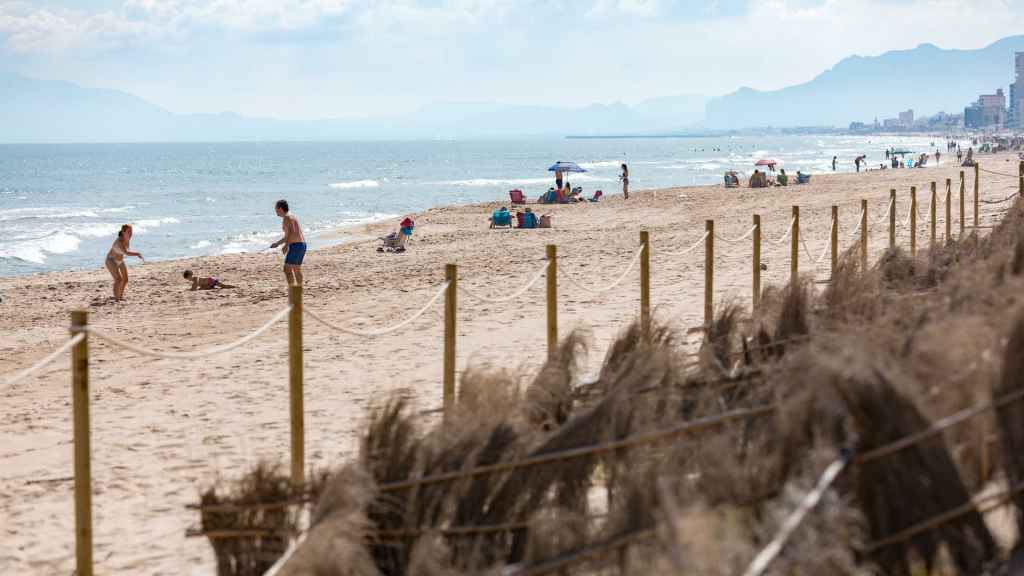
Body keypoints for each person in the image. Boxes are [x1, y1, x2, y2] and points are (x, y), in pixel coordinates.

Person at [269, 199, 306, 287]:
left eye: (275, 209)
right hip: (302, 244)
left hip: (296, 245)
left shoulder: (287, 218)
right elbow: (289, 235)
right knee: (296, 269)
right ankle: (298, 291)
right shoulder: (291, 216)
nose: (275, 211)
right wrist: (277, 243)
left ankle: (294, 291)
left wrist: (286, 245)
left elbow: (292, 233)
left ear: (280, 209)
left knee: (287, 269)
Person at [105, 224, 144, 302]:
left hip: (120, 261)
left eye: (131, 231)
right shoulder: (119, 241)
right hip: (111, 260)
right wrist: (137, 254)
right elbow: (126, 252)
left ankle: (120, 296)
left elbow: (124, 253)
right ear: (123, 232)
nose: (130, 233)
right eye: (128, 231)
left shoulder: (127, 239)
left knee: (125, 279)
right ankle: (117, 299)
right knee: (118, 279)